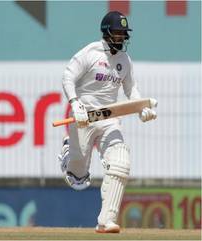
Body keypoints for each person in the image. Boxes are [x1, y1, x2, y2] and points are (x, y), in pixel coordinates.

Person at [58, 11, 157, 233]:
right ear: (107, 32)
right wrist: (75, 103)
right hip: (85, 116)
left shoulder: (124, 60)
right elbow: (68, 76)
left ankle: (106, 220)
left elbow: (132, 90)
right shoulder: (90, 52)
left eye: (124, 34)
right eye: (118, 33)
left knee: (121, 160)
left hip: (110, 118)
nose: (121, 37)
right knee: (78, 177)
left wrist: (142, 108)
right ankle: (69, 157)